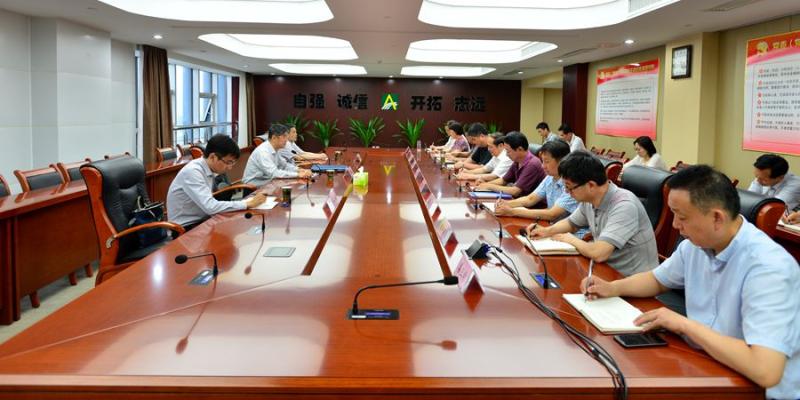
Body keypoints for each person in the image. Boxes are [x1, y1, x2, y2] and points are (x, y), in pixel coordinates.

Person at [582, 165, 800, 399]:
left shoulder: (768, 268)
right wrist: (612, 287)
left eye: (682, 217)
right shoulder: (695, 246)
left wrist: (684, 325)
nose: (675, 224)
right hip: (706, 365)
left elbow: (765, 370)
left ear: (717, 217)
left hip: (753, 390)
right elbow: (656, 280)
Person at [528, 151, 657, 276]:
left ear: (590, 185)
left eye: (569, 187)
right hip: (603, 270)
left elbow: (599, 253)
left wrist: (569, 239)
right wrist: (546, 231)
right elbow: (571, 223)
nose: (567, 192)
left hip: (630, 279)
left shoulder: (624, 206)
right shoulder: (589, 199)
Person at [166, 134, 266, 229]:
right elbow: (210, 207)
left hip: (204, 219)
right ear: (213, 157)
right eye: (228, 162)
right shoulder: (193, 172)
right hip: (186, 227)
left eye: (232, 163)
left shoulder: (208, 169)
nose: (230, 168)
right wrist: (246, 204)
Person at [495, 140, 580, 226]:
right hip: (552, 225)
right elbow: (530, 199)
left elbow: (552, 214)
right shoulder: (550, 177)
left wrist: (512, 211)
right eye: (542, 161)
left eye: (547, 161)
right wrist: (506, 204)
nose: (543, 166)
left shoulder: (572, 184)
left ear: (562, 162)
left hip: (568, 230)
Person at [475, 131, 545, 198]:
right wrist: (485, 184)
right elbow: (503, 180)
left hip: (531, 204)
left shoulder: (532, 164)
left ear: (520, 149)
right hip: (519, 200)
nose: (506, 154)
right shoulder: (517, 160)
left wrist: (489, 186)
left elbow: (516, 191)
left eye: (508, 151)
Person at [244, 123, 312, 187]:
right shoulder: (263, 152)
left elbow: (284, 165)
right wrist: (298, 175)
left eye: (287, 137)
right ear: (274, 138)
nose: (286, 140)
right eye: (284, 137)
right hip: (254, 185)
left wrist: (299, 170)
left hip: (268, 181)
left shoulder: (276, 149)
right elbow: (274, 173)